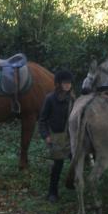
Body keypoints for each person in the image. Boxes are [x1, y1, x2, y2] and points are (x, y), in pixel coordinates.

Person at [39, 70, 75, 202]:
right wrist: (46, 136)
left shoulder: (72, 99)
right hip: (57, 136)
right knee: (57, 166)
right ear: (59, 83)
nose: (68, 85)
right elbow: (42, 120)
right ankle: (52, 192)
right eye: (65, 82)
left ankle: (71, 184)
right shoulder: (50, 98)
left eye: (69, 83)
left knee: (74, 162)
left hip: (71, 137)